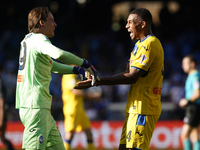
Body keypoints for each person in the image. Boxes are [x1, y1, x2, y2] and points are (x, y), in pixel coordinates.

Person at [75, 8, 164, 150]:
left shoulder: (150, 43)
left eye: (130, 22)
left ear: (142, 24)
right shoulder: (138, 45)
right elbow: (127, 72)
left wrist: (98, 81)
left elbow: (132, 76)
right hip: (135, 107)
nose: (126, 26)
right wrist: (97, 78)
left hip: (144, 108)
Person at [15, 6, 98, 150]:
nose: (55, 24)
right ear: (41, 23)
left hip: (38, 108)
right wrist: (85, 63)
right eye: (52, 21)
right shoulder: (39, 39)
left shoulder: (27, 41)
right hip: (36, 108)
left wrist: (77, 69)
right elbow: (58, 54)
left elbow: (51, 65)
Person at [62, 74, 101, 150]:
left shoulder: (76, 75)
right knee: (70, 133)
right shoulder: (69, 75)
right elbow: (74, 91)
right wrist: (91, 96)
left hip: (80, 109)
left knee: (88, 132)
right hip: (72, 109)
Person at [179, 54, 200, 150]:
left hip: (193, 108)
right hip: (193, 108)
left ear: (192, 64)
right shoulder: (192, 76)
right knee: (195, 136)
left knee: (184, 135)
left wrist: (186, 101)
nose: (183, 66)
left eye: (185, 63)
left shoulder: (195, 76)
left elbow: (197, 93)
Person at [0, 66, 15, 150]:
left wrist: (1, 120)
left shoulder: (1, 83)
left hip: (1, 114)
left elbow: (1, 103)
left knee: (2, 137)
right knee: (2, 137)